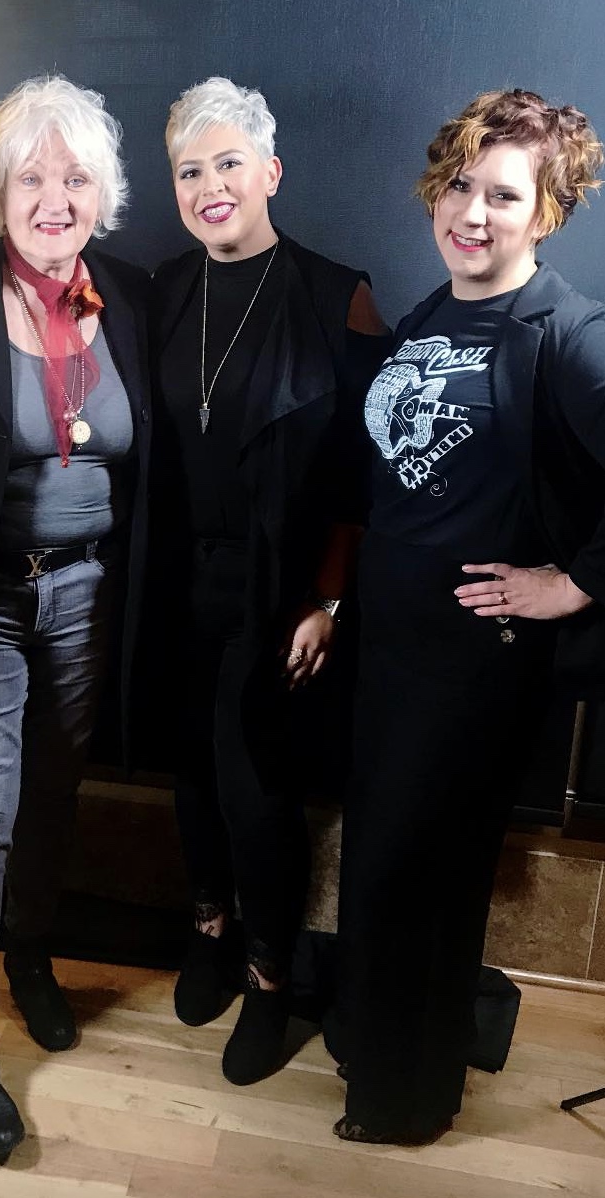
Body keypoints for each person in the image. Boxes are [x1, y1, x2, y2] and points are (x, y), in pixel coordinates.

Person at [332, 88, 605, 1145]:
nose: (473, 212)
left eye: (503, 194)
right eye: (460, 183)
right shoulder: (431, 312)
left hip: (472, 661)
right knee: (387, 862)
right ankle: (382, 1045)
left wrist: (573, 581)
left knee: (420, 873)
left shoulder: (567, 332)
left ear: (546, 211)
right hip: (390, 645)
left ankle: (403, 1102)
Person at [149, 75, 390, 1088]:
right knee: (190, 778)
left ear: (270, 171)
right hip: (174, 583)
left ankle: (268, 979)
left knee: (259, 794)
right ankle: (205, 931)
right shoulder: (159, 289)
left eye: (228, 162)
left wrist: (328, 599)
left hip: (280, 597)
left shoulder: (342, 294)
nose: (209, 185)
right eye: (189, 170)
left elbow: (363, 478)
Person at [0, 75, 151, 1163]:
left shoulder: (117, 297)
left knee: (52, 791)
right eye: (30, 176)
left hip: (86, 590)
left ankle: (30, 951)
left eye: (74, 175)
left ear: (102, 193)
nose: (53, 196)